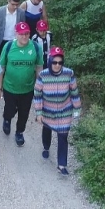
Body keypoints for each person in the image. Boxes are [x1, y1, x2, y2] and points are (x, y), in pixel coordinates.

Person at [34, 47, 82, 175]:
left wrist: (77, 108)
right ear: (50, 61)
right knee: (47, 129)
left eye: (60, 62)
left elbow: (74, 92)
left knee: (63, 136)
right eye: (54, 62)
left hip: (64, 110)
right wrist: (38, 113)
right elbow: (37, 95)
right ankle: (46, 146)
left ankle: (62, 165)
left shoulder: (69, 73)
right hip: (47, 110)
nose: (57, 65)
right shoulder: (42, 75)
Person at [0, 22, 43, 147]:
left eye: (27, 33)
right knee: (10, 109)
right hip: (10, 87)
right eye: (21, 34)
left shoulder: (35, 47)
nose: (24, 36)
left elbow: (39, 67)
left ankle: (19, 132)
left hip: (28, 88)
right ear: (16, 34)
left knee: (24, 113)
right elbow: (1, 67)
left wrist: (39, 85)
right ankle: (7, 119)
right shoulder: (8, 46)